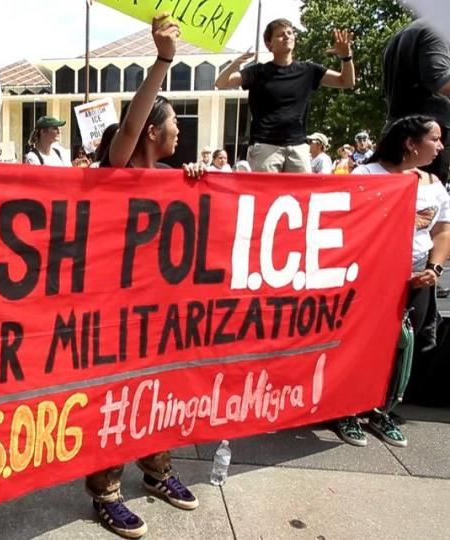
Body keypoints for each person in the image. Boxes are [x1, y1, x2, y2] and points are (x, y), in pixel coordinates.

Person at [85, 15, 202, 539]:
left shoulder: (175, 178)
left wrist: (195, 184)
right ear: (154, 132)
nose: (182, 130)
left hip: (161, 308)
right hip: (115, 310)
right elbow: (131, 123)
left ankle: (156, 470)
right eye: (175, 122)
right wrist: (162, 60)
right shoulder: (122, 165)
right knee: (117, 396)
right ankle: (105, 490)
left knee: (159, 391)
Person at [334, 115, 449, 448]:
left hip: (417, 279)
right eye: (435, 138)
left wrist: (434, 270)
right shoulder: (366, 175)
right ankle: (346, 410)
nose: (441, 146)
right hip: (371, 280)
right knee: (359, 343)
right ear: (411, 143)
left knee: (402, 349)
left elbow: (442, 231)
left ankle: (381, 410)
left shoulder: (434, 184)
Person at [215, 20, 355, 172]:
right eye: (280, 35)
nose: (287, 37)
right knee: (265, 194)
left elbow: (346, 81)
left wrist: (346, 58)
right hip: (265, 146)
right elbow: (221, 83)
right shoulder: (258, 72)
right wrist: (235, 64)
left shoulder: (308, 70)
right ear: (269, 45)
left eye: (289, 33)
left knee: (301, 195)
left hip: (298, 146)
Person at [383, 19, 450, 185]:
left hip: (402, 134)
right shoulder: (436, 30)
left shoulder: (402, 34)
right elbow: (441, 82)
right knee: (426, 206)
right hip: (425, 138)